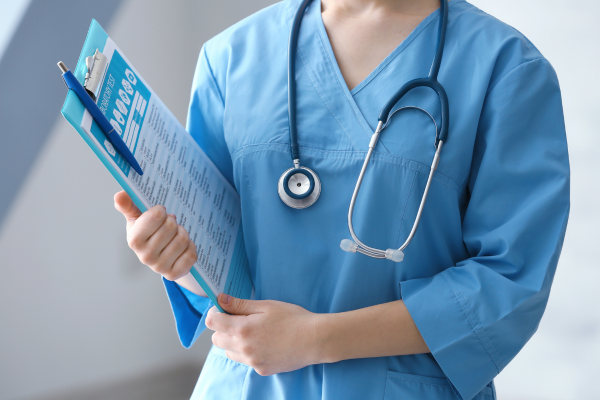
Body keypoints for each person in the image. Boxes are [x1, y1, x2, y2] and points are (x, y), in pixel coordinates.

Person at [113, 0, 570, 398]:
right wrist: (174, 258)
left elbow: (509, 282)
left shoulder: (506, 68)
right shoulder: (231, 56)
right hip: (245, 385)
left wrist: (317, 338)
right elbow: (219, 265)